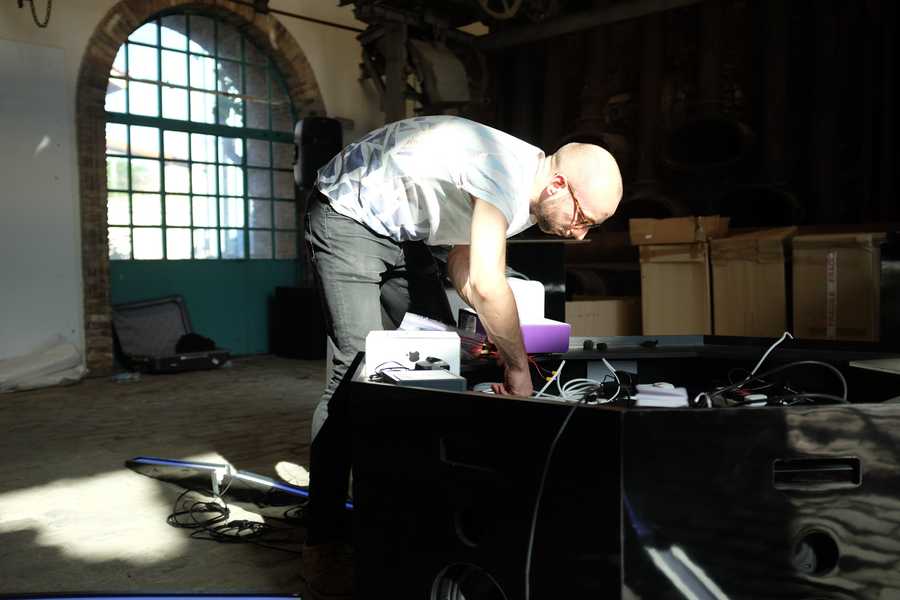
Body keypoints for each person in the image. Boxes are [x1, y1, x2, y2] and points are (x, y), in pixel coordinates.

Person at [300, 115, 622, 599]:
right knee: (354, 375)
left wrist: (490, 333)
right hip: (347, 214)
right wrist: (517, 370)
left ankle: (411, 513)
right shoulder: (505, 172)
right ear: (559, 183)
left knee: (438, 359)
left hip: (405, 233)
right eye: (582, 219)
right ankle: (325, 542)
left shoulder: (525, 191)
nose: (578, 236)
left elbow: (466, 269)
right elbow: (489, 285)